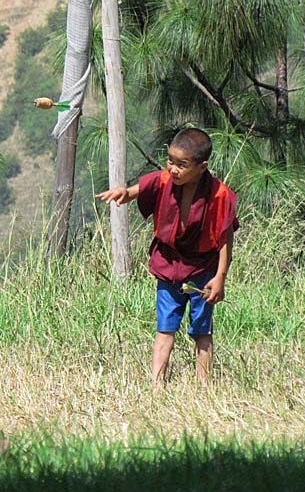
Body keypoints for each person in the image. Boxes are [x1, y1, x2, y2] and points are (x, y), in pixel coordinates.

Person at [96, 128, 238, 383]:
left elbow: (225, 239)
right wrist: (123, 193)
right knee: (165, 327)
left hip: (203, 269)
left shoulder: (219, 194)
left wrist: (220, 277)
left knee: (202, 329)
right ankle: (156, 384)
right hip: (169, 264)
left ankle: (204, 386)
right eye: (170, 161)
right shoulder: (163, 180)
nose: (173, 169)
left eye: (182, 165)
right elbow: (136, 190)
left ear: (202, 166)